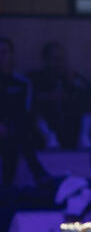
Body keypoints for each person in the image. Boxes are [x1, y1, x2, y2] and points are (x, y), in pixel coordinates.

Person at [28, 41, 91, 149]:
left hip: (68, 120)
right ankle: (50, 138)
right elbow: (26, 98)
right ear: (46, 60)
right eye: (55, 59)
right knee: (33, 110)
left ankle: (84, 138)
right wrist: (49, 97)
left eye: (62, 59)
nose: (60, 63)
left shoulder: (69, 77)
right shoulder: (36, 78)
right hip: (47, 120)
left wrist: (76, 83)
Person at [0, 37, 50, 186]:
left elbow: (26, 111)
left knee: (18, 137)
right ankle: (38, 173)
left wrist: (9, 128)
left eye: (4, 52)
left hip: (15, 129)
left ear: (12, 55)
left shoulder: (22, 83)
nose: (1, 56)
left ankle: (8, 189)